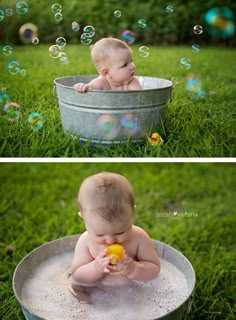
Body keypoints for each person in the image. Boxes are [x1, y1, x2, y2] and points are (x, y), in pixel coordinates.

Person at [70, 171, 160, 303]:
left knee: (148, 302)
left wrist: (134, 269)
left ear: (132, 213)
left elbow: (154, 269)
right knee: (79, 297)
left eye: (120, 232)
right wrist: (95, 268)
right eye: (100, 234)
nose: (111, 240)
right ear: (83, 218)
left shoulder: (139, 238)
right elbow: (77, 275)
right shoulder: (86, 241)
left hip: (133, 292)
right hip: (96, 293)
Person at [73, 38, 143, 92]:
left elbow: (139, 98)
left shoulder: (132, 82)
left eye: (131, 61)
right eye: (124, 65)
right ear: (106, 72)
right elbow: (91, 88)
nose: (131, 67)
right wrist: (84, 87)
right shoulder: (102, 82)